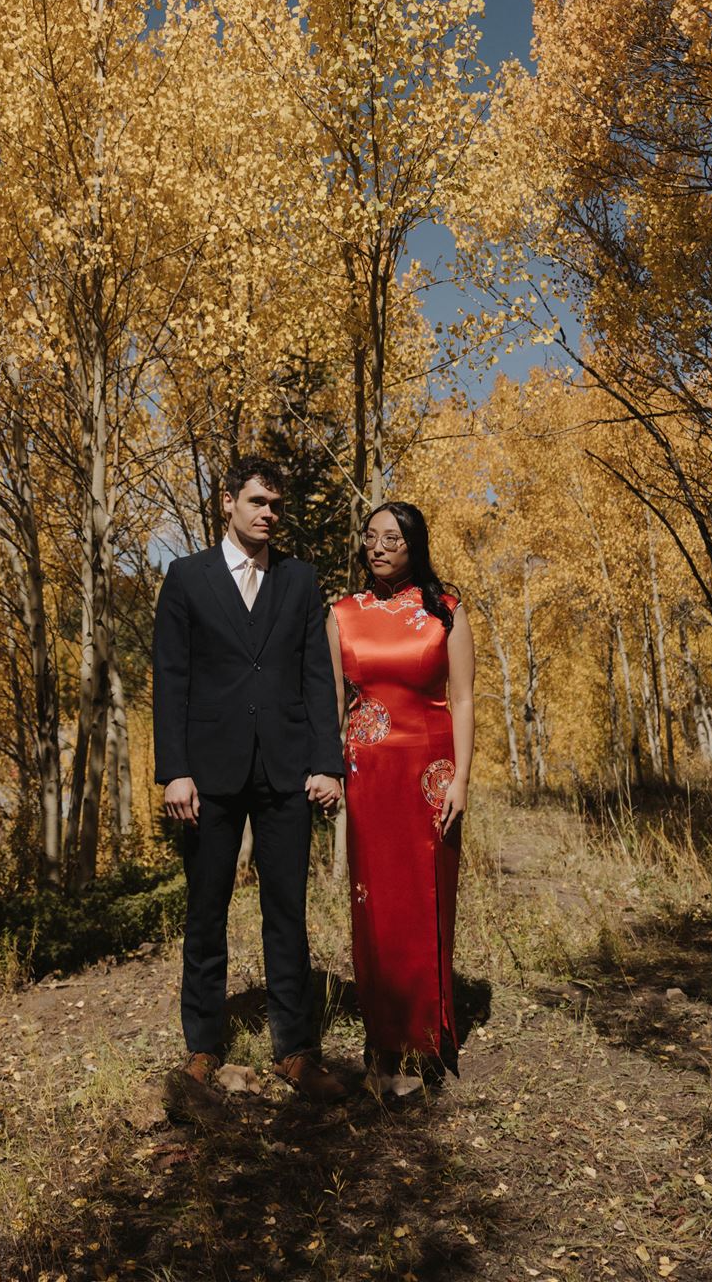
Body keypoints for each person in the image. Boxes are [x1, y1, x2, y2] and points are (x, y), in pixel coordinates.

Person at [152, 454, 348, 1102]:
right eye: (258, 502)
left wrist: (326, 763)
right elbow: (171, 679)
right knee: (205, 911)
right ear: (227, 503)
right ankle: (203, 1046)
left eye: (276, 506)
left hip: (285, 769)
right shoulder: (185, 578)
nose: (269, 514)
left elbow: (317, 677)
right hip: (206, 774)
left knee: (285, 913)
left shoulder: (298, 580)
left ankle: (294, 1050)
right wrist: (174, 771)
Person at [327, 501, 475, 1096]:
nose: (379, 547)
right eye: (370, 537)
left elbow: (462, 700)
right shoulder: (341, 614)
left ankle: (430, 1038)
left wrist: (462, 777)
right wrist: (327, 770)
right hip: (369, 773)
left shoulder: (446, 610)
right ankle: (384, 1046)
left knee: (429, 898)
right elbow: (329, 704)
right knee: (375, 905)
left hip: (433, 771)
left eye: (393, 538)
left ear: (415, 545)